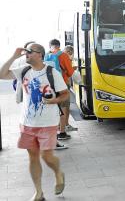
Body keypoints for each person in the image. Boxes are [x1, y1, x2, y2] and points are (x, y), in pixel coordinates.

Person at [0, 43, 68, 201]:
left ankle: (58, 173)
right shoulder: (23, 70)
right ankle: (39, 192)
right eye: (26, 51)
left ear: (40, 54)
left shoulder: (52, 72)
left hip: (48, 122)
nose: (26, 54)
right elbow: (2, 74)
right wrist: (13, 56)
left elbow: (65, 94)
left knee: (47, 156)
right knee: (33, 158)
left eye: (30, 51)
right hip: (27, 123)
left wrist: (54, 101)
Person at [45, 39, 76, 142]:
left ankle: (55, 130)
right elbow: (70, 72)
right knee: (63, 107)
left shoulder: (46, 55)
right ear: (59, 45)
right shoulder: (63, 55)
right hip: (62, 84)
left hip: (50, 85)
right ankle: (62, 132)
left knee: (54, 107)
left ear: (50, 46)